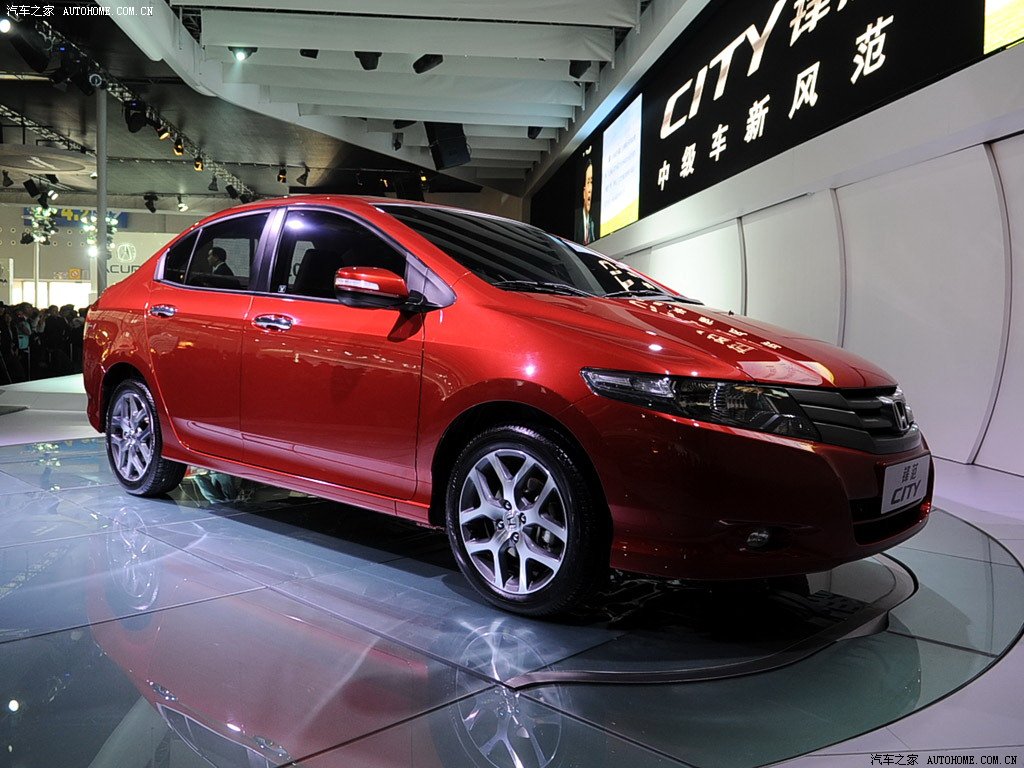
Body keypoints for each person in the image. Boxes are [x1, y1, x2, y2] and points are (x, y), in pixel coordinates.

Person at [576, 160, 597, 245]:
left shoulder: (594, 223)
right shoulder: (577, 225)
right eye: (588, 182)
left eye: (591, 182)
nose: (590, 189)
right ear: (583, 191)